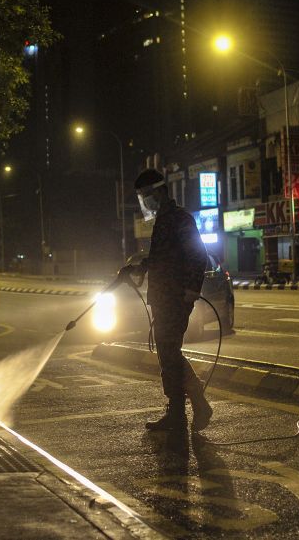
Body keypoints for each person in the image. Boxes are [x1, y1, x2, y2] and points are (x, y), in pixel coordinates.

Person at [124, 168, 213, 432]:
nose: (145, 202)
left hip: (176, 298)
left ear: (161, 191)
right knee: (166, 352)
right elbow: (164, 259)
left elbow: (198, 256)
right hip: (162, 298)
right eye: (142, 197)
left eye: (147, 195)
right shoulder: (162, 221)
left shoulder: (179, 219)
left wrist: (191, 290)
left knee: (170, 351)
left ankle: (196, 403)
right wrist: (141, 267)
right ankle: (177, 412)